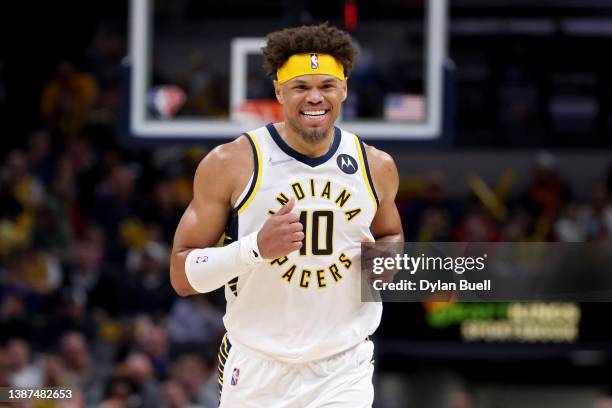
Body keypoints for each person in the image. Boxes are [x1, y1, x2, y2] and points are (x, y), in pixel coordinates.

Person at [170, 23, 403, 407]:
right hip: (257, 365)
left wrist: (386, 260)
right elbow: (182, 276)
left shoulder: (376, 166)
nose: (315, 97)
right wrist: (255, 249)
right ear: (279, 91)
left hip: (342, 367)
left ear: (343, 89)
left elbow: (391, 236)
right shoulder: (231, 163)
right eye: (301, 87)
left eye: (326, 86)